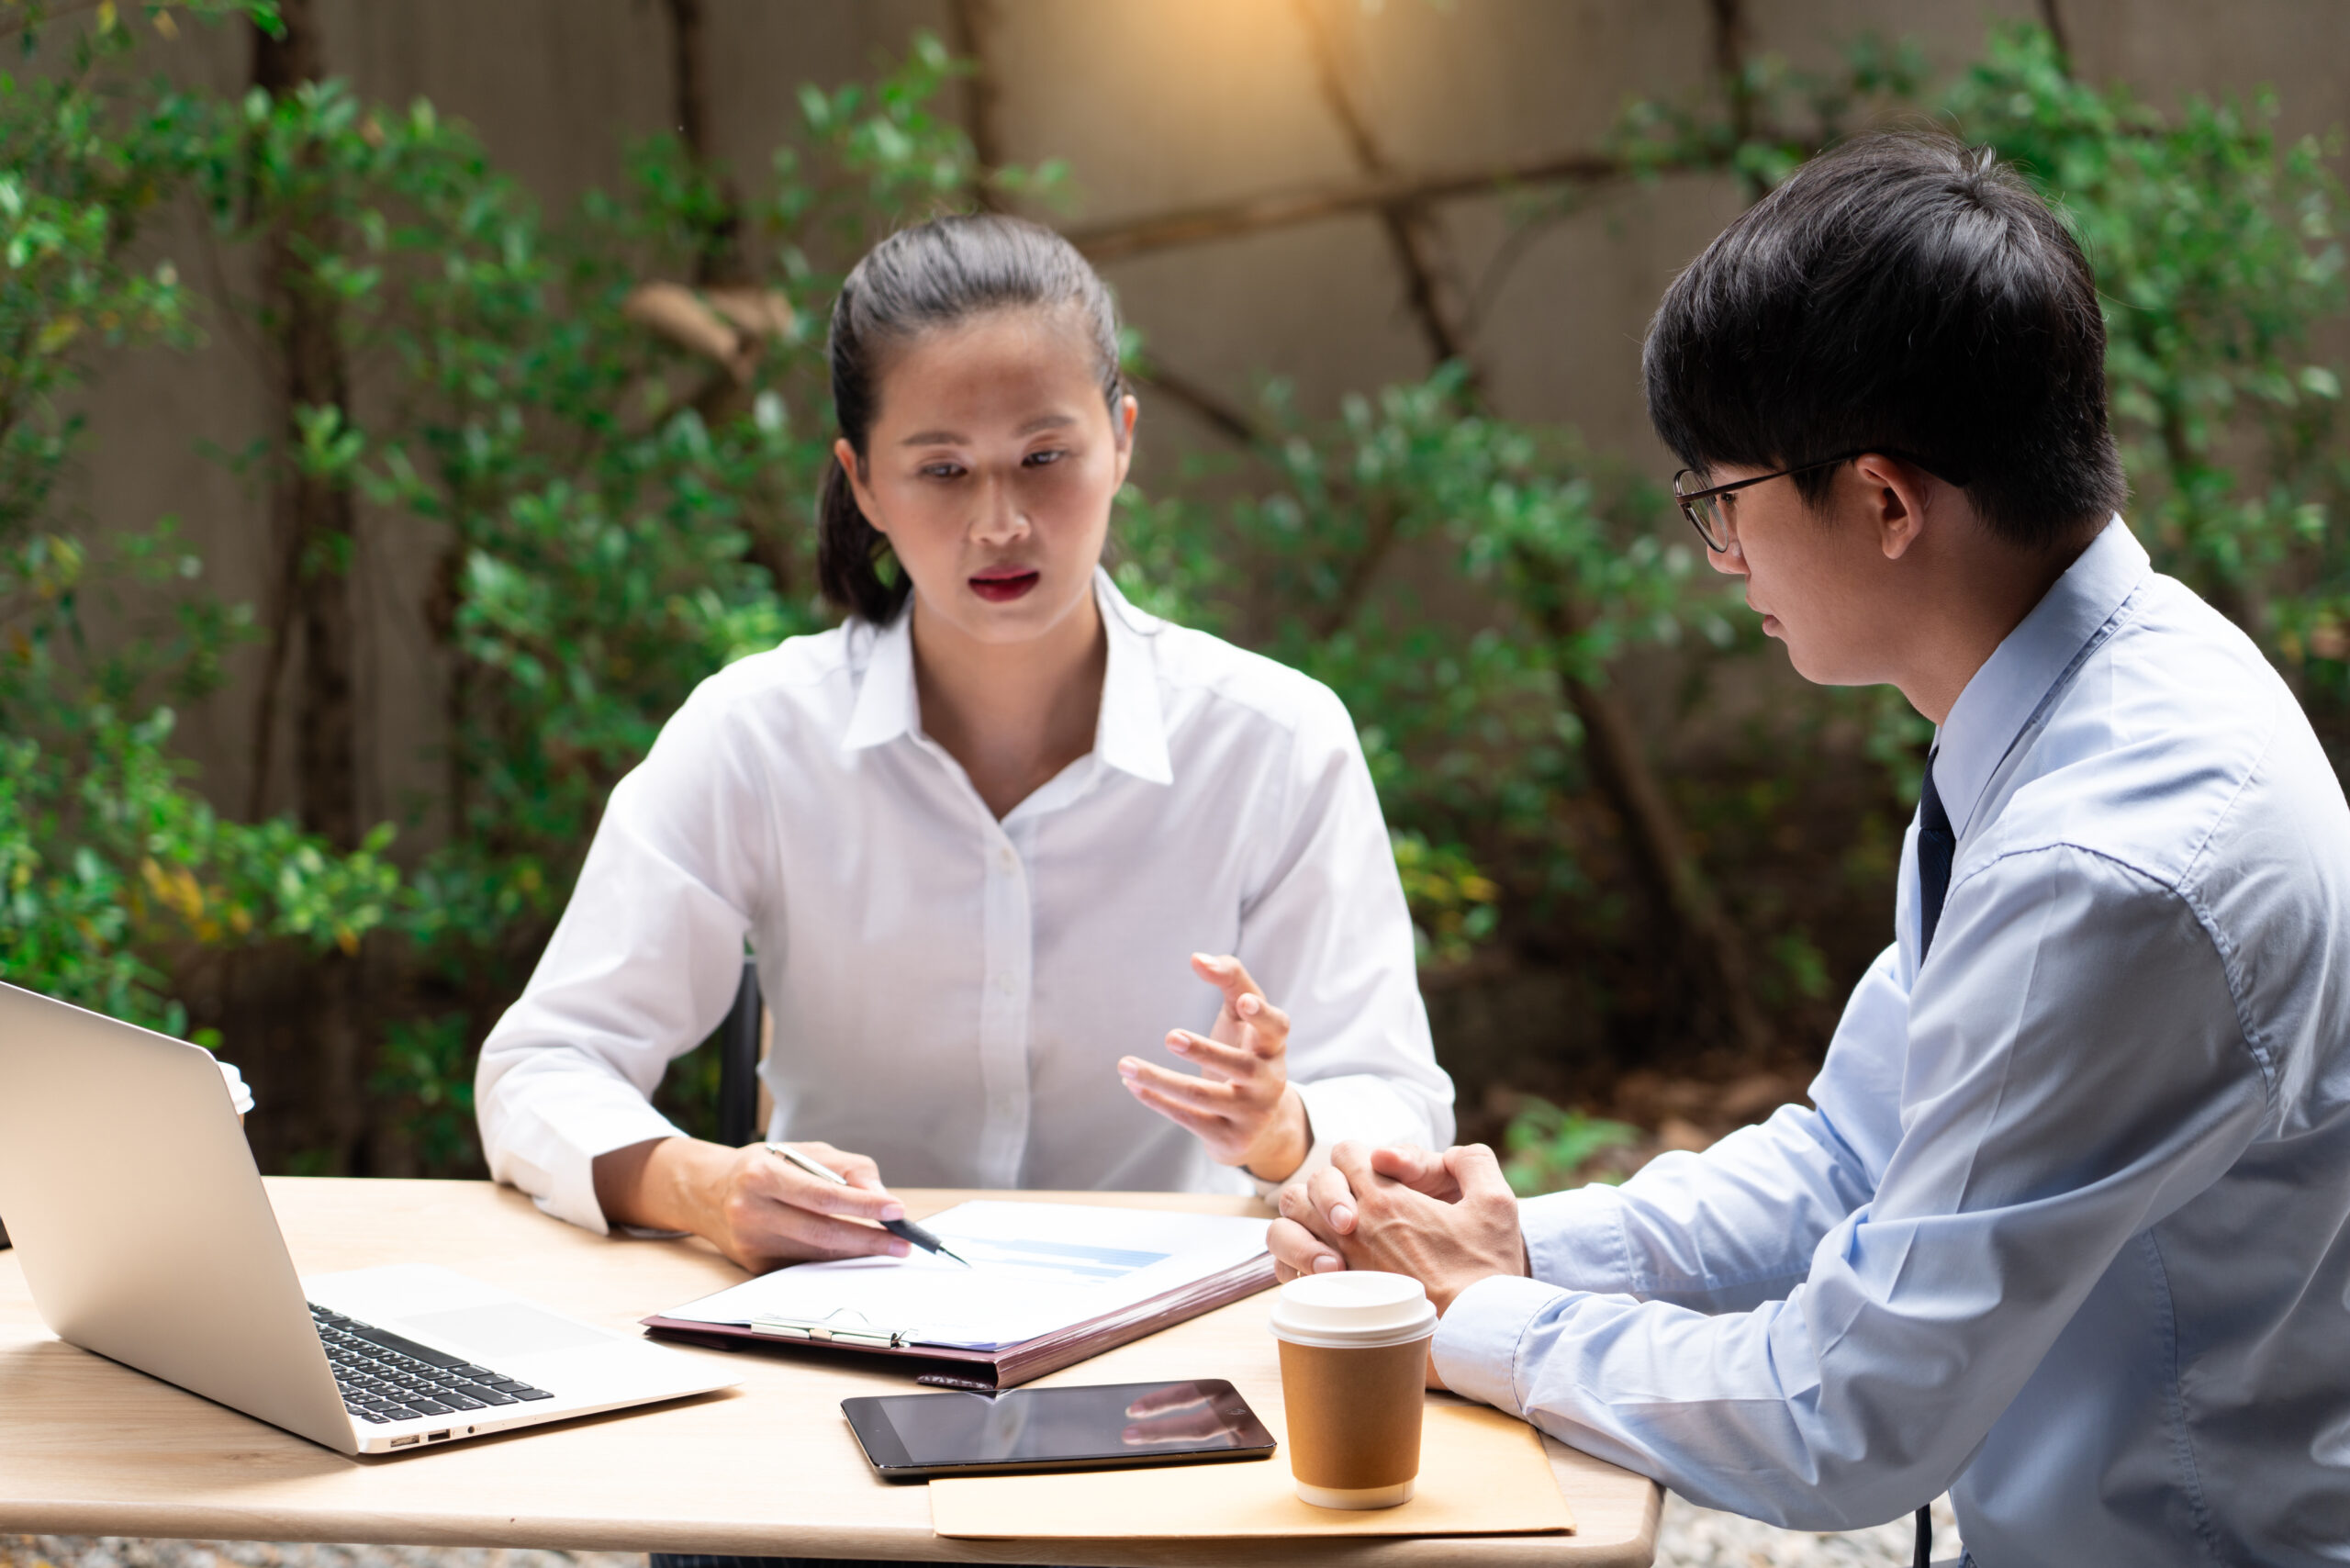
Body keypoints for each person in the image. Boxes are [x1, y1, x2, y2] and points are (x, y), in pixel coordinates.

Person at [1269, 131, 2350, 1566]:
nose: (1719, 560)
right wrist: (1523, 1245)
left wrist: (1476, 1317)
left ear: (1886, 502)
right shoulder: (2078, 699)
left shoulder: (2106, 863)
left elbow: (1848, 1415)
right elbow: (1858, 1153)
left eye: (1721, 503)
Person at [475, 214, 1451, 1278]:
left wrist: (1284, 1130)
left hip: (1174, 1333)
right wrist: (706, 1186)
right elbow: (542, 1064)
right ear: (862, 482)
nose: (1000, 522)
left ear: (1122, 438)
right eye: (942, 470)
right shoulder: (754, 734)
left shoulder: (1272, 742)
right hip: (836, 1323)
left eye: (1044, 456)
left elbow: (1392, 1100)